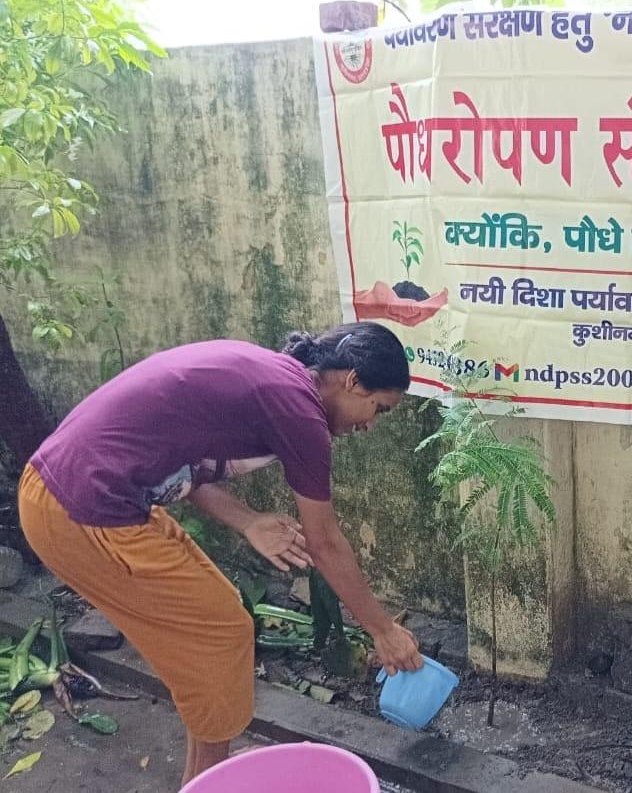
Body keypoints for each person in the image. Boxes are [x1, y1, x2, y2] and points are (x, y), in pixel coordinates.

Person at [17, 322, 424, 786]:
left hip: (81, 499)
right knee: (219, 639)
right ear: (352, 381)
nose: (370, 425)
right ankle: (214, 777)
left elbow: (182, 467)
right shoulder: (300, 410)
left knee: (217, 633)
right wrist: (383, 630)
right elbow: (325, 542)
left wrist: (248, 521)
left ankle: (211, 769)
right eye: (378, 409)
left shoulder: (277, 380)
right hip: (81, 510)